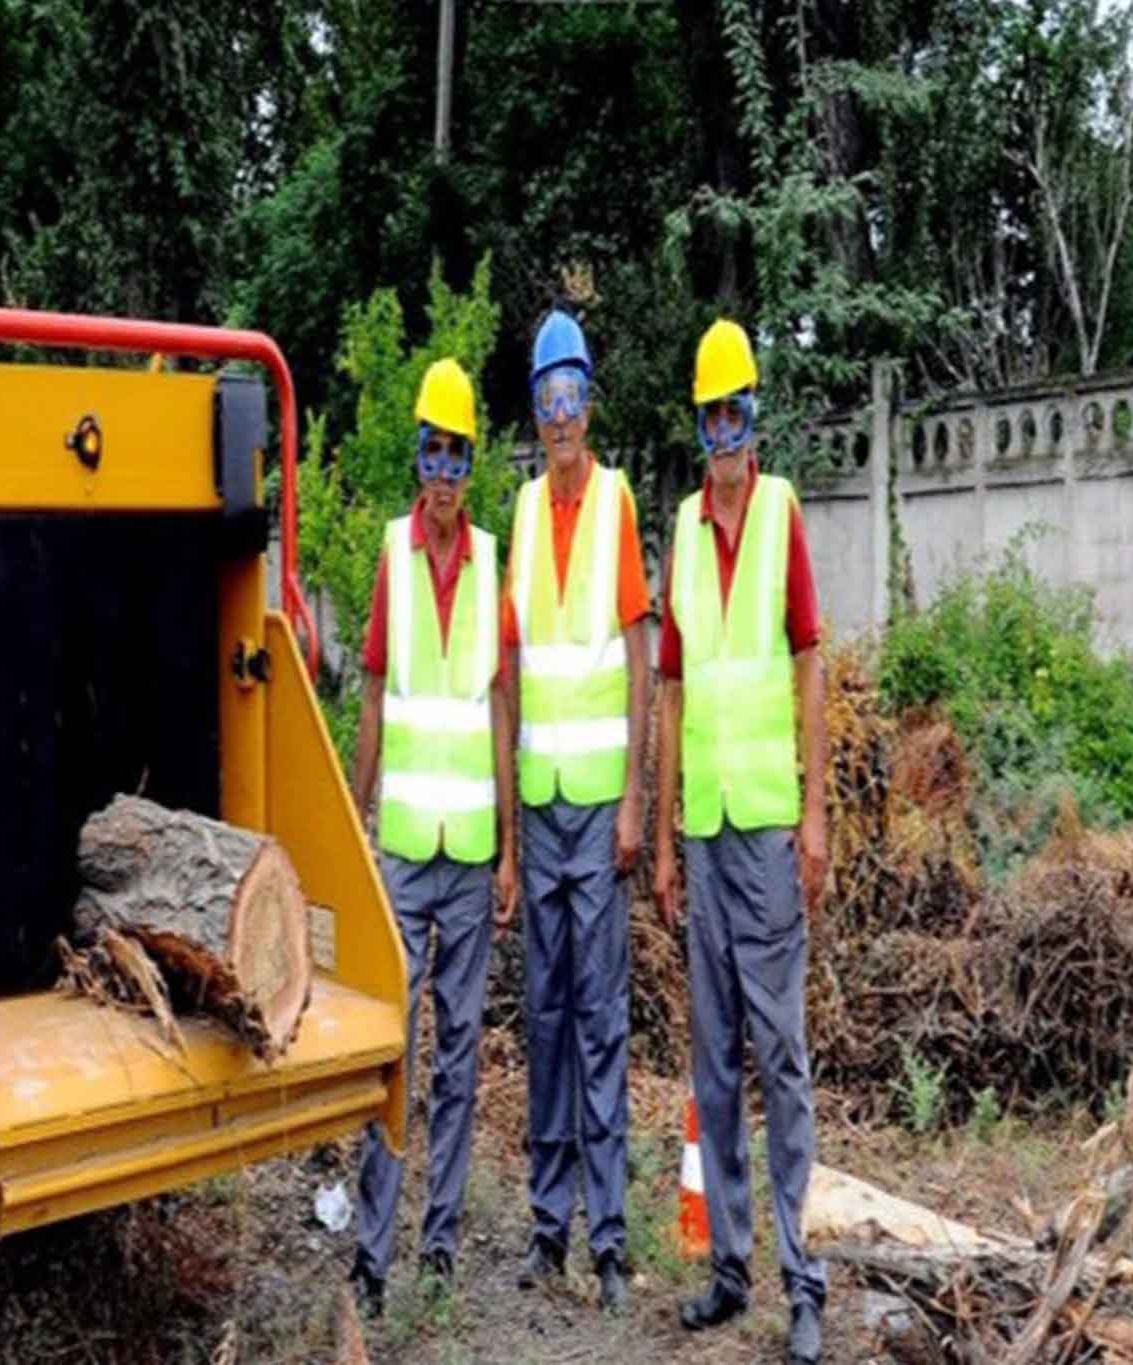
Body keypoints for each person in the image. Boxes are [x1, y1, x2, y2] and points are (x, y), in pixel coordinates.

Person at [654, 317, 829, 1365]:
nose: (723, 435)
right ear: (697, 427)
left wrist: (813, 811)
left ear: (754, 419)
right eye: (710, 416)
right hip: (704, 833)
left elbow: (808, 659)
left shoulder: (779, 515)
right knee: (712, 1064)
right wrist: (669, 835)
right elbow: (670, 685)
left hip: (765, 829)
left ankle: (801, 1278)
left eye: (736, 413)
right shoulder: (680, 528)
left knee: (781, 1056)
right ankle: (728, 1266)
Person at [347, 357, 519, 1318]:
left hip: (469, 854)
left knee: (461, 1055)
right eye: (431, 452)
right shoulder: (391, 557)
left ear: (471, 461)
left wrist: (507, 850)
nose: (444, 473)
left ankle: (440, 1242)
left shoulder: (491, 561)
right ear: (416, 458)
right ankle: (373, 1251)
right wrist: (357, 818)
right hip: (407, 851)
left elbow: (500, 708)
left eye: (457, 454)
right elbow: (372, 695)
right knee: (391, 1050)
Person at [504, 310, 653, 1312]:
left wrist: (638, 795)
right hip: (538, 810)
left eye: (572, 395)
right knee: (546, 1021)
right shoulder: (518, 512)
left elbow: (640, 654)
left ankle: (606, 1234)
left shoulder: (614, 503)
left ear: (589, 404)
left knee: (599, 1020)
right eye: (544, 398)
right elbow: (511, 670)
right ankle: (547, 1227)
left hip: (599, 812)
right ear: (535, 410)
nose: (559, 416)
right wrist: (511, 830)